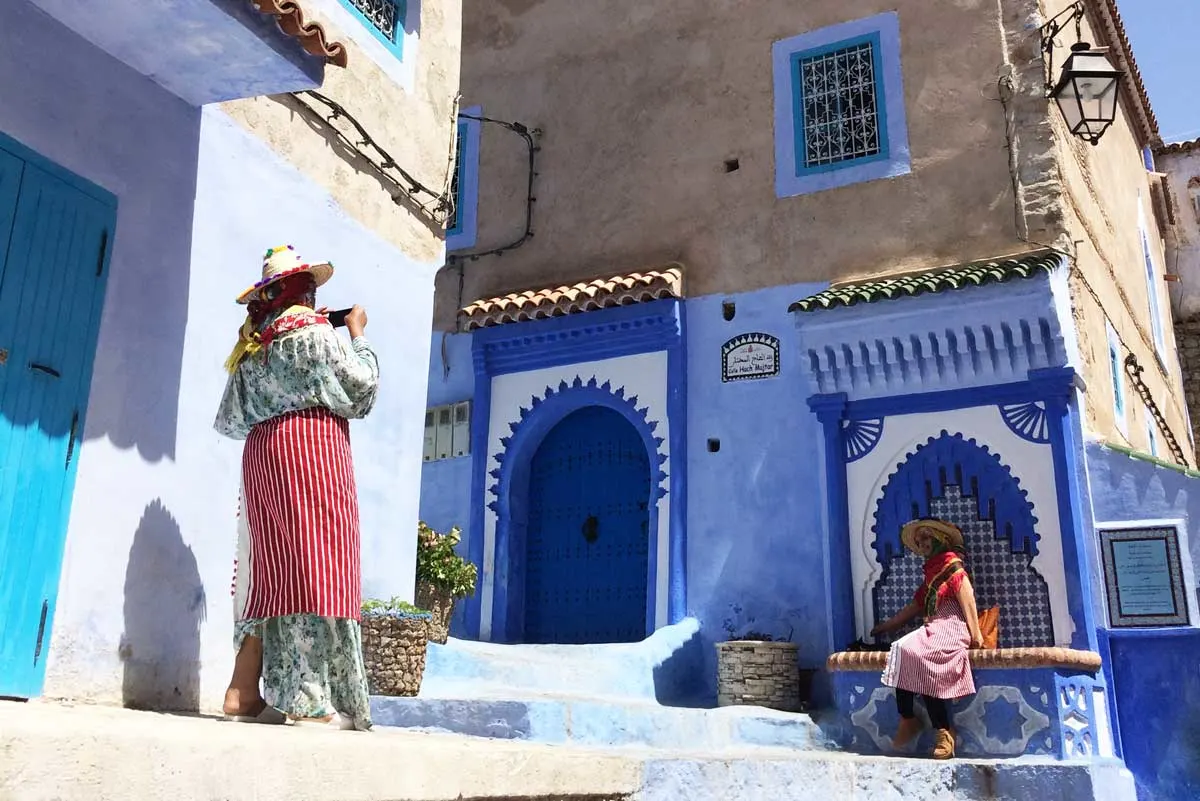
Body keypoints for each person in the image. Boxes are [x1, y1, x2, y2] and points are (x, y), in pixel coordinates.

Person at [215, 245, 379, 731]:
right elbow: (361, 389)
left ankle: (243, 692)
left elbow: (231, 419)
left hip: (263, 456)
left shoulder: (253, 345)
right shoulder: (311, 333)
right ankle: (310, 702)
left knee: (270, 572)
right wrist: (358, 334)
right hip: (311, 450)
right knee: (317, 570)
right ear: (301, 289)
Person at [869, 518, 983, 760]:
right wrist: (886, 626)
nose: (921, 544)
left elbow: (968, 600)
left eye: (926, 538)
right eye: (919, 541)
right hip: (933, 628)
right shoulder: (931, 576)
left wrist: (976, 635)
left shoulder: (953, 567)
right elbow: (914, 607)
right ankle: (908, 718)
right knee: (901, 649)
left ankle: (944, 731)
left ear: (940, 539)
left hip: (952, 628)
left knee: (925, 656)